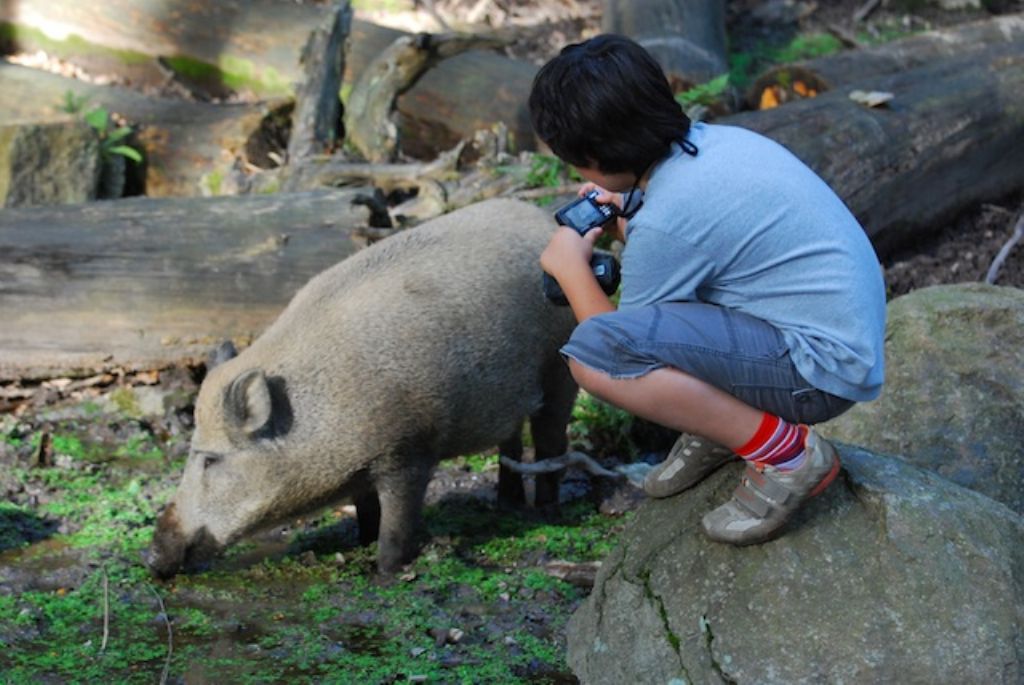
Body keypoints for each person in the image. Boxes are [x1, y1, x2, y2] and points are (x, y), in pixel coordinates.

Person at [529, 34, 886, 545]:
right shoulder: (718, 142)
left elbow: (616, 347)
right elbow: (694, 254)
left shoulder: (668, 220)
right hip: (840, 335)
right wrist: (630, 214)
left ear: (588, 155)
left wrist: (570, 267)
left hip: (821, 371)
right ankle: (722, 428)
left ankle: (787, 456)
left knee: (588, 360)